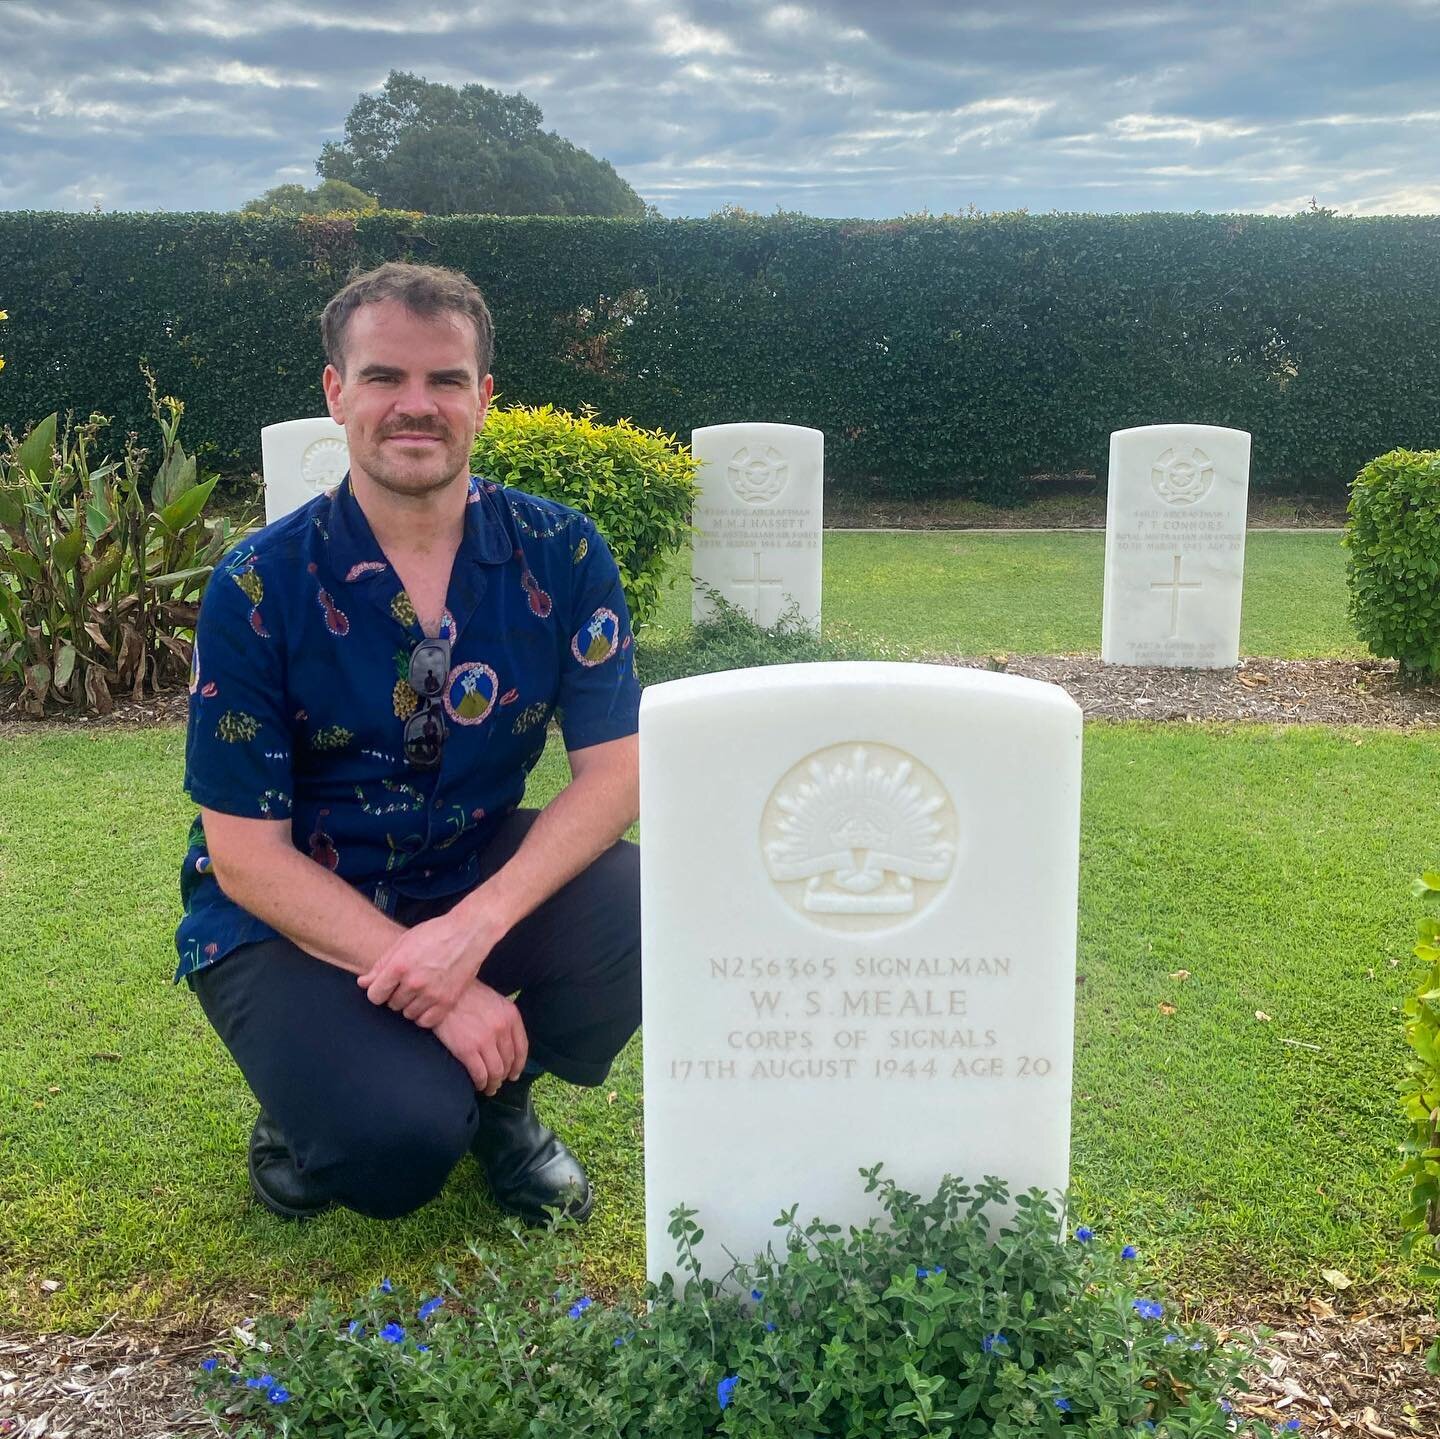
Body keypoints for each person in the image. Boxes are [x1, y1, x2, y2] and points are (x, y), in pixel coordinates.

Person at [174, 261, 641, 1225]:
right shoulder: (258, 582)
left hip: (464, 867)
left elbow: (617, 770)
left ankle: (503, 1102)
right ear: (337, 393)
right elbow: (244, 856)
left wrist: (469, 933)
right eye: (385, 376)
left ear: (485, 398)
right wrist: (440, 988)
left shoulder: (564, 552)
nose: (415, 406)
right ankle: (306, 1106)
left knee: (646, 906)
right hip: (293, 907)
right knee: (396, 1149)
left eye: (447, 380)